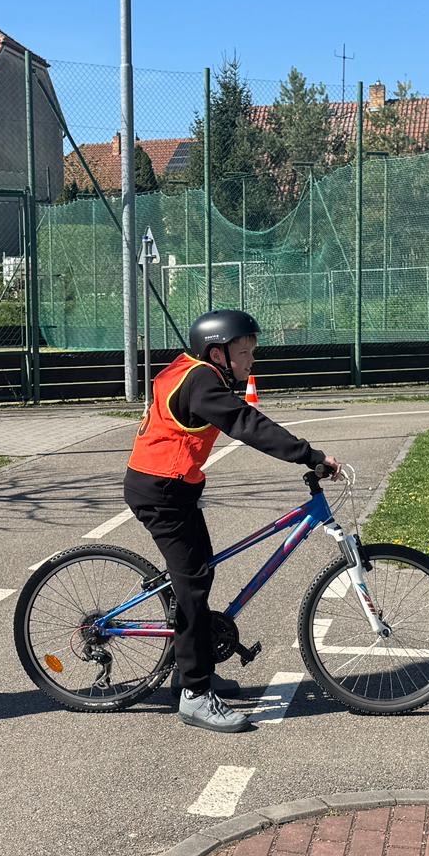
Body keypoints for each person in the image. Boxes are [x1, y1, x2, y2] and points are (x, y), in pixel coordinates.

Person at [126, 310, 342, 734]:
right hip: (161, 493)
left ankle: (189, 668)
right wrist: (309, 455)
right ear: (217, 353)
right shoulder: (201, 382)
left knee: (200, 573)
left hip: (173, 488)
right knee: (192, 585)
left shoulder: (193, 370)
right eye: (244, 352)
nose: (251, 360)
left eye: (252, 352)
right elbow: (246, 423)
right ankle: (194, 694)